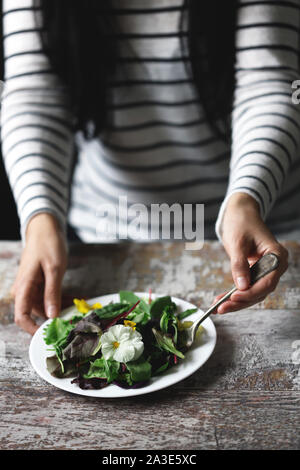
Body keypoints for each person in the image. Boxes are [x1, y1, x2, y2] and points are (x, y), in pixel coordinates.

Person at [2, 0, 298, 335]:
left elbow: (269, 86)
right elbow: (34, 97)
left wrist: (248, 196)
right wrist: (40, 217)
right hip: (107, 231)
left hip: (265, 227)